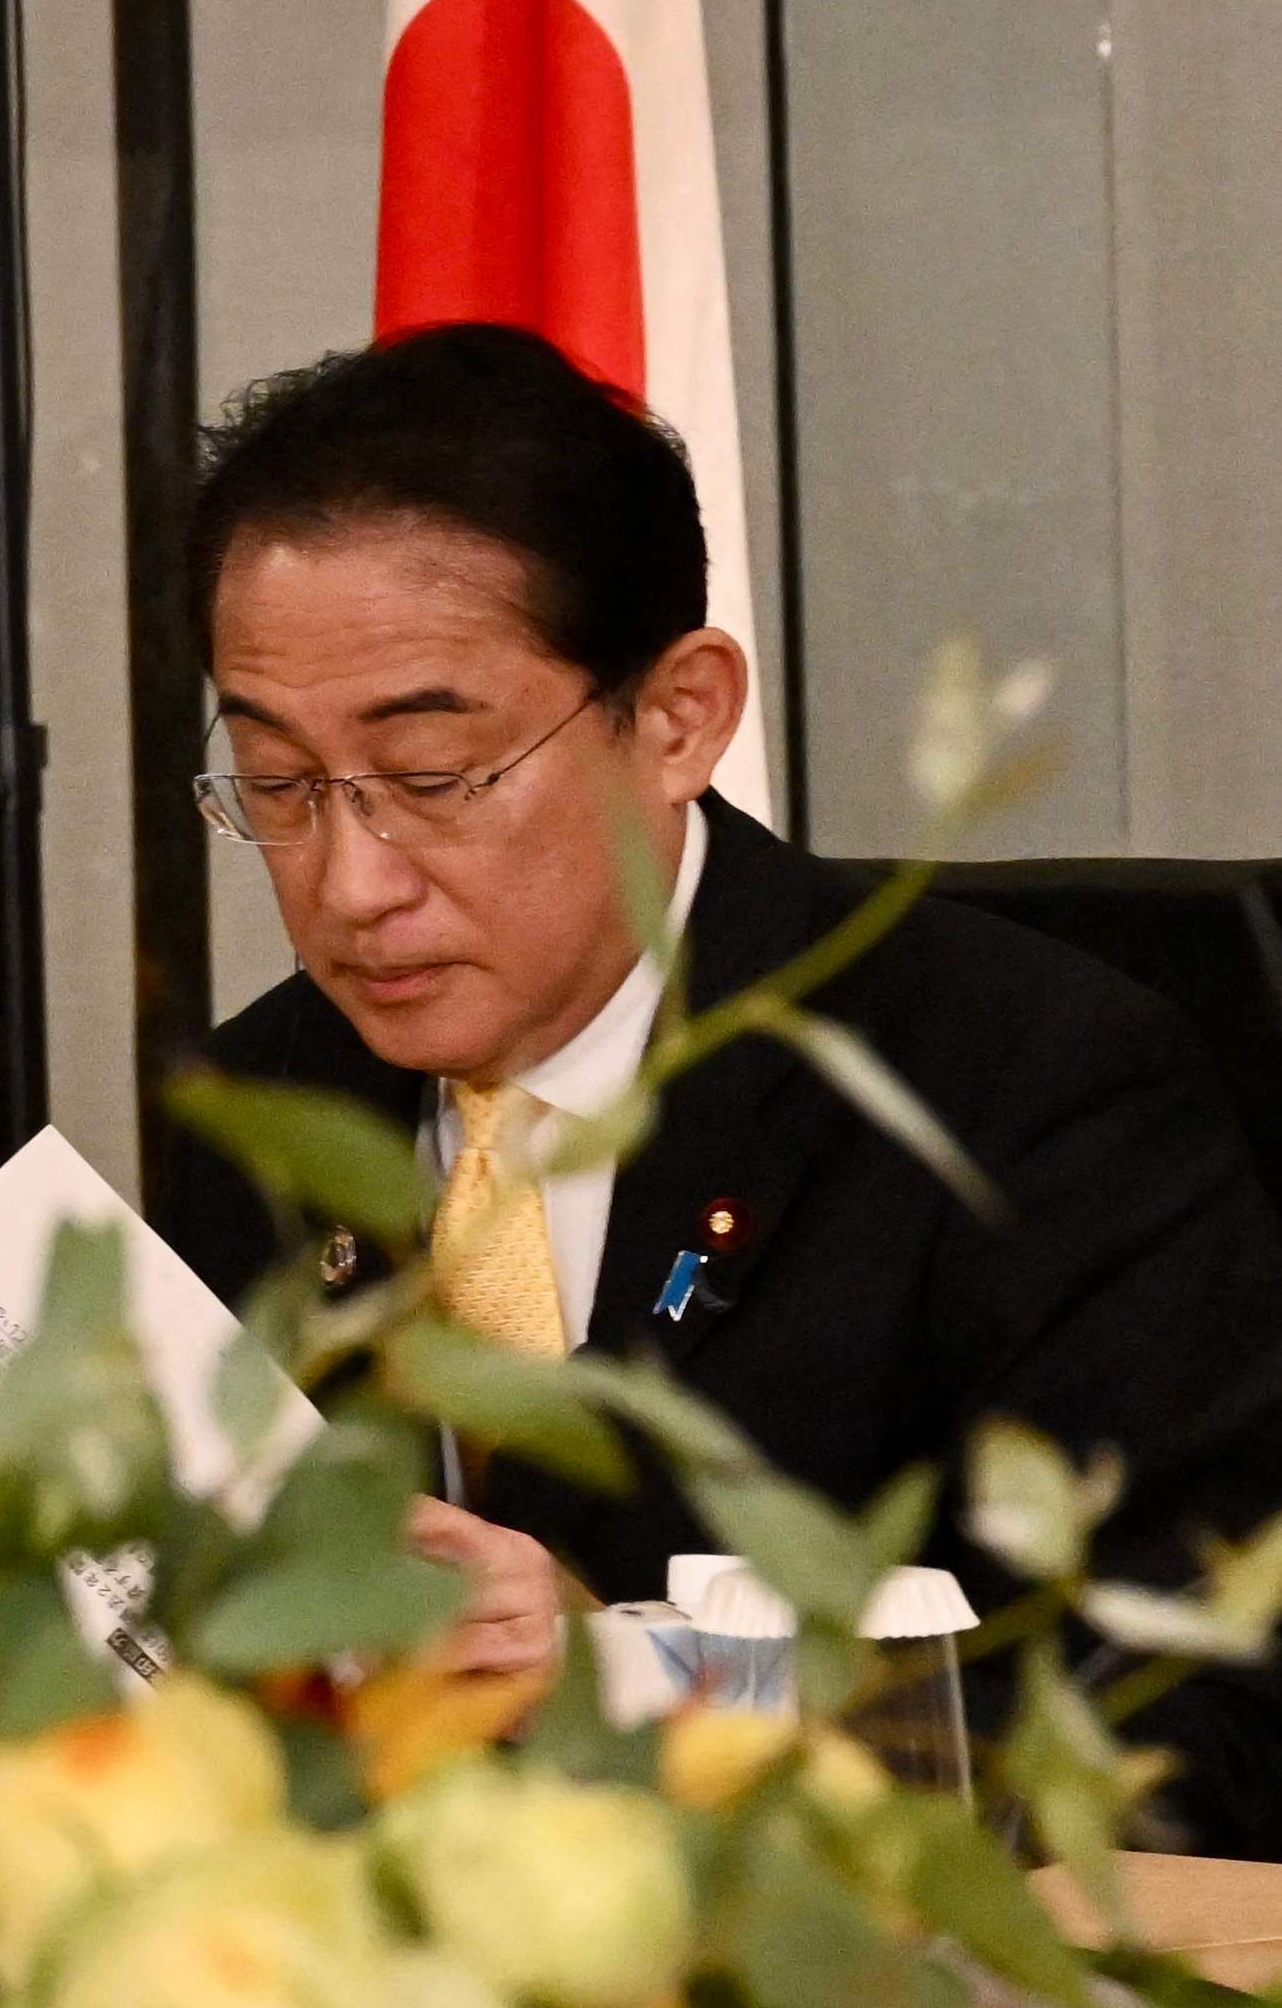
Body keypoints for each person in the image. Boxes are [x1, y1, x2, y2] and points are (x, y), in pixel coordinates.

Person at [145, 319, 1282, 1827]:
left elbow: (1194, 1730)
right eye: (279, 785)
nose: (348, 883)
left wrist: (638, 1695)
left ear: (677, 715)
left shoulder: (1018, 1091)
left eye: (428, 779)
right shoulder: (262, 1108)